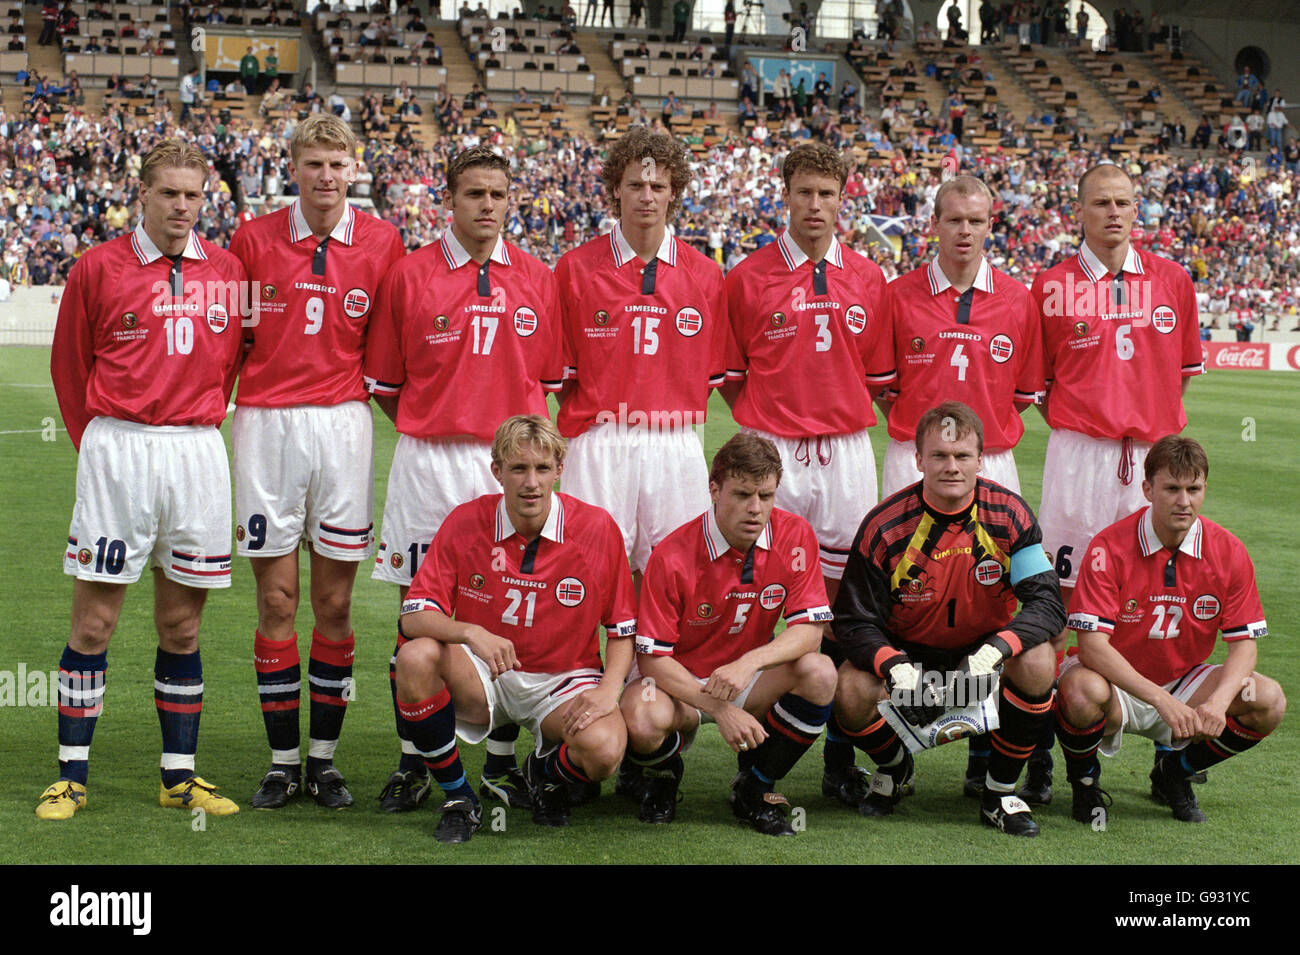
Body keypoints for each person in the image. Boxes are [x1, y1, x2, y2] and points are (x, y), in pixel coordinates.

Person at [39, 139, 248, 820]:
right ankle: (71, 775)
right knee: (94, 621)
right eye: (170, 193)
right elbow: (70, 370)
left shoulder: (228, 269)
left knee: (183, 627)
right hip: (120, 448)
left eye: (193, 194)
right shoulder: (98, 268)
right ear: (144, 193)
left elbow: (232, 363)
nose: (182, 206)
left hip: (196, 451)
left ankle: (178, 778)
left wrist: (191, 420)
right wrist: (99, 447)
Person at [365, 146, 563, 814]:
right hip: (429, 462)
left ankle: (503, 761)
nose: (486, 206)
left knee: (508, 603)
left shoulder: (538, 277)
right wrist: (434, 420)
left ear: (512, 201)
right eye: (474, 193)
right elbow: (388, 386)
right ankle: (413, 760)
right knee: (415, 621)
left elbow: (550, 380)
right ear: (449, 198)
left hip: (508, 465)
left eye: (498, 195)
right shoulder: (409, 275)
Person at [228, 114, 406, 810]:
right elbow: (235, 336)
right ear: (293, 168)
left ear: (353, 168)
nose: (326, 176)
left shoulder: (384, 241)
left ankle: (325, 762)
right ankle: (281, 761)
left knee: (334, 601)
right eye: (314, 163)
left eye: (337, 164)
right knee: (276, 599)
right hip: (265, 423)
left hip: (343, 424)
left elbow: (392, 343)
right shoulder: (253, 238)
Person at [720, 143, 889, 811]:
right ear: (784, 193)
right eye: (804, 192)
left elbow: (877, 378)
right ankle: (759, 746)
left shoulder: (869, 277)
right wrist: (774, 427)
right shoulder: (747, 276)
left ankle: (839, 753)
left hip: (847, 449)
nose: (814, 205)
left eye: (826, 193)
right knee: (770, 598)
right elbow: (733, 379)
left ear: (842, 197)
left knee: (848, 606)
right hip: (776, 450)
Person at [1029, 161, 1204, 801]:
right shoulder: (1050, 286)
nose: (1114, 212)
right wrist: (1092, 425)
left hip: (1151, 457)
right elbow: (1038, 388)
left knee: (1160, 598)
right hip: (1078, 455)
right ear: (1080, 211)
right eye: (1100, 202)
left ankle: (1171, 754)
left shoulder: (1173, 280)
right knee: (1058, 605)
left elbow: (1179, 374)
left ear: (1138, 209)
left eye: (1124, 202)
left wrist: (1141, 423)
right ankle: (1045, 751)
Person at [871, 175, 1044, 797]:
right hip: (911, 457)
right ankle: (874, 749)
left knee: (995, 599)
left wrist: (975, 449)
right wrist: (935, 451)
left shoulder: (1020, 299)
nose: (965, 231)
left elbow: (1022, 395)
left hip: (991, 458)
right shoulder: (898, 295)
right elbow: (884, 385)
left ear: (991, 225)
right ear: (934, 224)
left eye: (976, 220)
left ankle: (996, 754)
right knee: (900, 594)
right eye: (954, 220)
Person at [826, 401, 1065, 836]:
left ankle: (999, 793)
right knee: (849, 687)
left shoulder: (1010, 514)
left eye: (961, 456)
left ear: (980, 459)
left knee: (1037, 661)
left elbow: (1047, 603)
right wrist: (891, 664)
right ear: (918, 460)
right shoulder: (884, 526)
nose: (951, 467)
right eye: (939, 455)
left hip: (984, 657)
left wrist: (999, 647)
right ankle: (897, 768)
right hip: (910, 660)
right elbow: (853, 621)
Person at [394, 415, 636, 843]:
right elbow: (413, 616)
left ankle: (540, 772)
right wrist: (470, 632)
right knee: (413, 657)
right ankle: (459, 798)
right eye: (518, 468)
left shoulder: (597, 529)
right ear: (497, 472)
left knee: (604, 751)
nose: (531, 482)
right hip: (482, 674)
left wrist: (608, 689)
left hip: (563, 680)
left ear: (559, 470)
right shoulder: (466, 521)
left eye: (543, 469)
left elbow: (621, 629)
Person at [1056, 436, 1284, 824]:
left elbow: (1243, 645)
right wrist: (1162, 703)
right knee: (1079, 691)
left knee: (1268, 700)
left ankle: (1173, 775)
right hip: (1117, 684)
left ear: (1204, 489)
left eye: (1194, 489)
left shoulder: (1229, 550)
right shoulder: (1107, 547)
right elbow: (1092, 648)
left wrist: (1215, 702)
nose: (1184, 501)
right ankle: (1085, 784)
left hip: (1185, 681)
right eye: (1172, 489)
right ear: (1147, 489)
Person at [620, 433, 835, 834]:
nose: (756, 509)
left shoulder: (795, 535)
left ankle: (755, 786)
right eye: (742, 494)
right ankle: (663, 775)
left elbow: (810, 631)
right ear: (714, 490)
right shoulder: (672, 553)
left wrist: (749, 662)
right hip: (678, 684)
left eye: (766, 496)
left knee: (820, 673)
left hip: (745, 677)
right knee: (642, 718)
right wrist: (719, 709)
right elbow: (652, 659)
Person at [554, 126, 728, 584]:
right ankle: (588, 661)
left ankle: (650, 661)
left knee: (676, 581)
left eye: (657, 185)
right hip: (599, 438)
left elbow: (708, 377)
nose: (646, 196)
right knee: (588, 580)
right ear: (616, 188)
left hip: (674, 440)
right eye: (635, 184)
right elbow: (563, 375)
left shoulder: (707, 275)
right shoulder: (575, 269)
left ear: (675, 192)